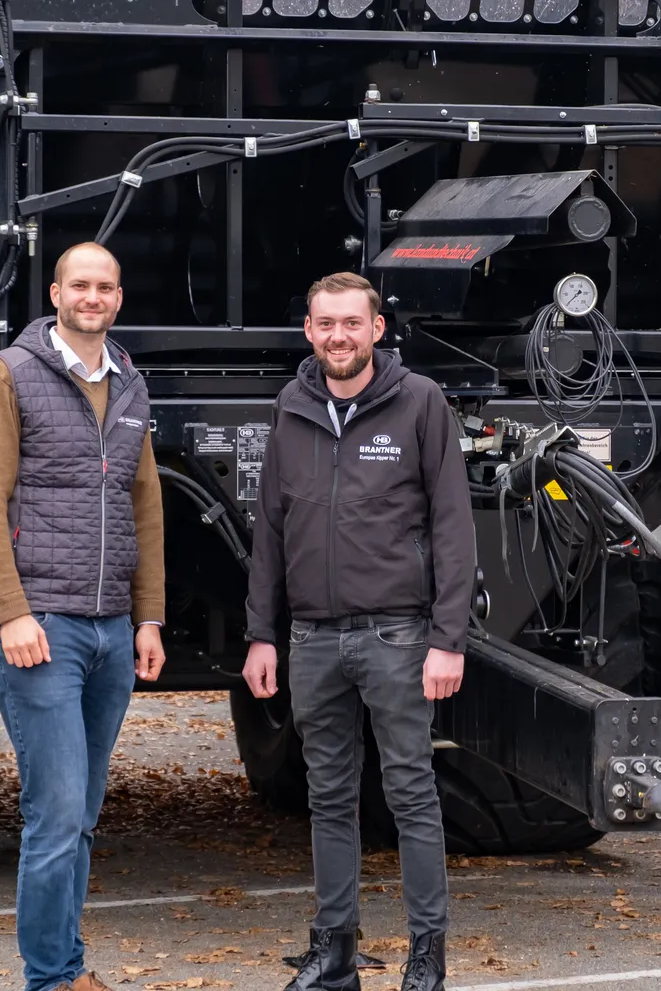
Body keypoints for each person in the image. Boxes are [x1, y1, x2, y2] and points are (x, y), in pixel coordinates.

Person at [241, 271, 475, 991]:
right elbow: (271, 533)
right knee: (328, 798)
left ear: (377, 329)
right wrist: (261, 635)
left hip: (397, 638)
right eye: (324, 325)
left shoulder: (420, 403)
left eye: (351, 323)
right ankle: (334, 951)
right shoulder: (292, 406)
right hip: (311, 639)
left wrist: (448, 638)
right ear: (308, 332)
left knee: (410, 793)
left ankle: (427, 953)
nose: (338, 336)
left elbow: (453, 526)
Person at [0, 241, 167, 991]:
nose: (93, 296)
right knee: (54, 817)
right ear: (55, 292)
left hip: (112, 629)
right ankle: (51, 978)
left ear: (118, 297)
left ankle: (67, 968)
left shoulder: (130, 381)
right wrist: (11, 614)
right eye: (79, 284)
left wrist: (148, 619)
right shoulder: (7, 378)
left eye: (105, 286)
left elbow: (145, 502)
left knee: (79, 814)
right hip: (40, 627)